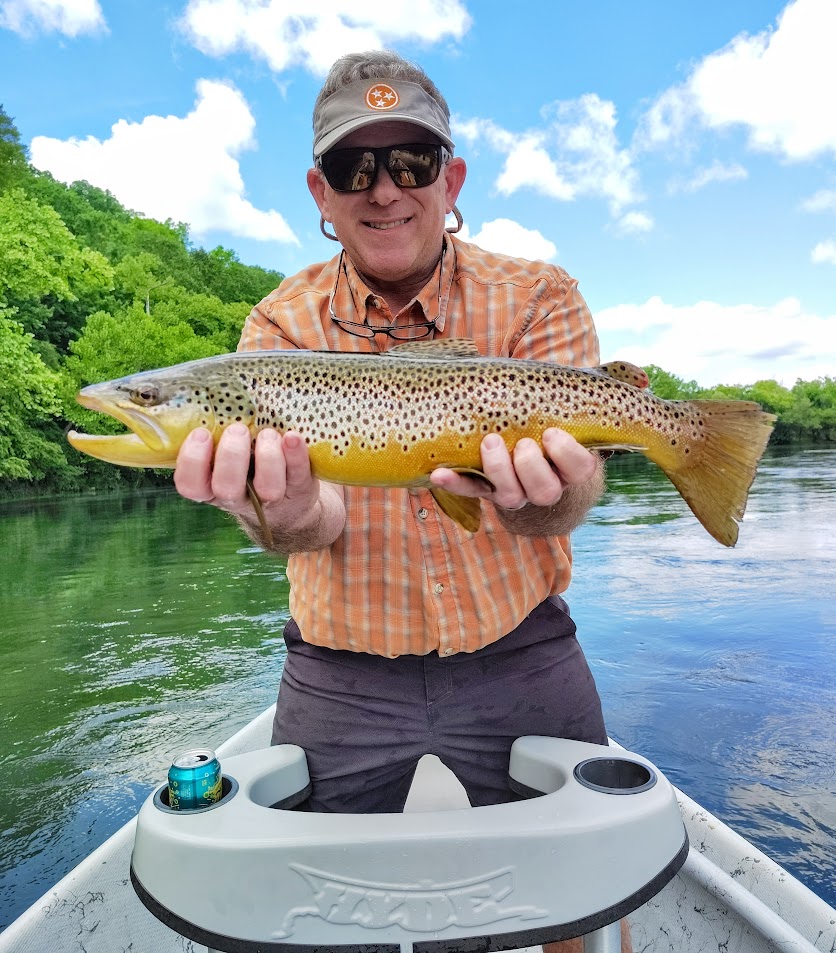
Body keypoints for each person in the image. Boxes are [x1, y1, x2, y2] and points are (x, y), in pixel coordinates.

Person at [174, 50, 631, 953]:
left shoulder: (539, 295)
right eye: (355, 168)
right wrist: (289, 509)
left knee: (580, 892)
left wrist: (550, 496)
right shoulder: (274, 332)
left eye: (411, 163)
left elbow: (563, 500)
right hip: (340, 670)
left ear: (450, 177)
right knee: (313, 908)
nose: (384, 191)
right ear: (320, 190)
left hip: (523, 646)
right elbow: (317, 523)